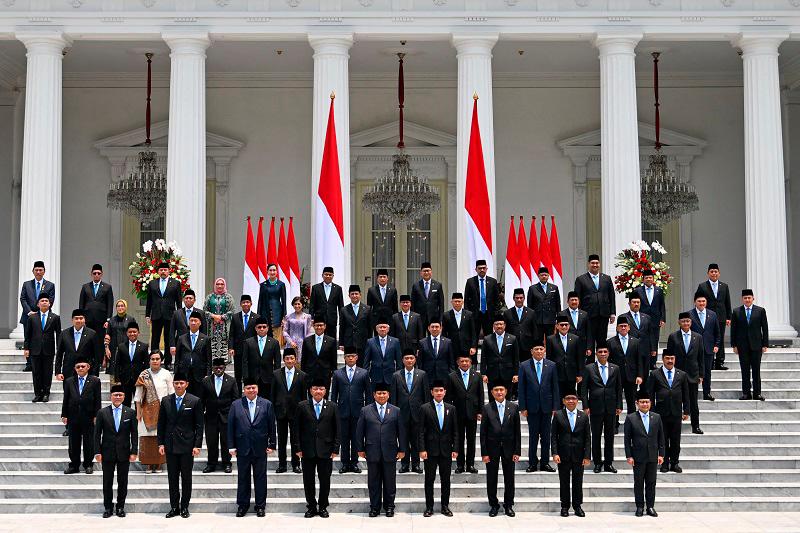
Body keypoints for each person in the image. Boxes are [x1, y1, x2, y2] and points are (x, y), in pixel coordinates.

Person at [356, 382, 406, 517]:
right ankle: (375, 507)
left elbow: (401, 432)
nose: (382, 395)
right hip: (372, 451)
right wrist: (360, 448)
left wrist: (402, 449)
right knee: (373, 482)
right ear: (374, 395)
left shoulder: (396, 410)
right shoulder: (365, 410)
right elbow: (360, 431)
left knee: (390, 482)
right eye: (379, 393)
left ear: (388, 395)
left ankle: (389, 507)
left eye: (384, 393)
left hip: (390, 452)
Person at [158, 372, 204, 518]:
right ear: (173, 384)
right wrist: (160, 443)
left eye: (181, 383)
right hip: (170, 445)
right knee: (172, 478)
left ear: (186, 384)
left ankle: (184, 507)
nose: (179, 385)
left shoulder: (195, 401)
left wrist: (197, 445)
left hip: (187, 446)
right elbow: (161, 424)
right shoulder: (166, 401)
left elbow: (199, 425)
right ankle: (174, 507)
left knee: (186, 477)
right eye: (176, 383)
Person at [228, 378, 276, 517]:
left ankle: (260, 506)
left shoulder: (266, 404)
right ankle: (243, 505)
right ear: (244, 390)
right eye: (248, 388)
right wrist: (231, 446)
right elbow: (231, 426)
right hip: (242, 447)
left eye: (253, 387)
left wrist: (272, 444)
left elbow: (271, 426)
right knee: (243, 477)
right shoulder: (236, 405)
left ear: (257, 389)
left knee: (260, 477)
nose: (251, 390)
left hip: (260, 447)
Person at [293, 378, 340, 518]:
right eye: (315, 389)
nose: (318, 391)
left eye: (321, 389)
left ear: (325, 391)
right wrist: (297, 448)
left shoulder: (333, 406)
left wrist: (335, 449)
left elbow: (337, 429)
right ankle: (311, 507)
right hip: (307, 450)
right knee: (308, 480)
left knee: (325, 480)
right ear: (310, 390)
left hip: (326, 450)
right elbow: (296, 429)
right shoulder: (302, 406)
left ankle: (323, 506)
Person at [94, 384, 138, 518]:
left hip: (124, 453)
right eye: (115, 395)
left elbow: (134, 434)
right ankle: (108, 507)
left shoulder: (130, 412)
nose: (118, 397)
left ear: (124, 397)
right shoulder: (102, 412)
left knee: (122, 481)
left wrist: (134, 451)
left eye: (120, 395)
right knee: (107, 481)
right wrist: (97, 452)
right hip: (107, 453)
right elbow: (97, 434)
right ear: (110, 397)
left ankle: (120, 507)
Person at [481, 380, 521, 517]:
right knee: (491, 478)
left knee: (509, 478)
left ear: (506, 391)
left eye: (501, 390)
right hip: (492, 449)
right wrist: (484, 453)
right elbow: (483, 433)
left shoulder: (514, 407)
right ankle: (494, 505)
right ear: (492, 392)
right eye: (496, 390)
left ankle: (508, 505)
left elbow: (517, 432)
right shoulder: (487, 408)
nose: (499, 392)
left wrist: (517, 451)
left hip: (509, 449)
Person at [418, 380, 458, 517]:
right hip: (430, 450)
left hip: (446, 450)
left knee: (445, 480)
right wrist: (422, 449)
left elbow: (455, 431)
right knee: (429, 480)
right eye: (436, 390)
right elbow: (421, 431)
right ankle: (429, 507)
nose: (439, 393)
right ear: (432, 392)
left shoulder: (451, 408)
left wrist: (456, 448)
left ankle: (445, 506)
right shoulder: (424, 408)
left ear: (445, 392)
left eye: (441, 390)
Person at [518, 341, 560, 473]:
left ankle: (545, 463)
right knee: (533, 436)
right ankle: (532, 462)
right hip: (532, 407)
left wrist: (556, 407)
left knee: (546, 437)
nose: (539, 351)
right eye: (536, 349)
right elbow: (521, 388)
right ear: (531, 351)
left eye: (541, 349)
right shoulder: (524, 366)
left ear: (545, 350)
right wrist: (522, 407)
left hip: (547, 407)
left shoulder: (551, 365)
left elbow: (555, 387)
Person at [581, 342, 622, 473]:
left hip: (611, 407)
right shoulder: (589, 368)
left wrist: (619, 405)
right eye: (600, 352)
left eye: (605, 352)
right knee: (596, 436)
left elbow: (618, 388)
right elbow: (583, 389)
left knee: (610, 436)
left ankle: (609, 463)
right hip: (595, 407)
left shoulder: (615, 368)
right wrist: (585, 405)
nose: (603, 354)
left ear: (609, 353)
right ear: (596, 354)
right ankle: (597, 463)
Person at [647, 351, 690, 473]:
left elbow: (686, 394)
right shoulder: (655, 374)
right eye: (667, 358)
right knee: (663, 440)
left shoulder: (682, 375)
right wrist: (652, 412)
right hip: (661, 413)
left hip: (676, 413)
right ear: (663, 359)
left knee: (676, 440)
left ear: (675, 359)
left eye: (672, 358)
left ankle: (674, 463)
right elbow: (650, 394)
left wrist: (686, 410)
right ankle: (664, 463)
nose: (670, 361)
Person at [624, 390, 665, 517]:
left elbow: (661, 437)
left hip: (653, 455)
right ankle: (640, 506)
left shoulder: (656, 417)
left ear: (650, 403)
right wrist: (629, 456)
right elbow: (627, 439)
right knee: (639, 482)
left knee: (651, 482)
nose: (644, 404)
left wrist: (661, 454)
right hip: (638, 456)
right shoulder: (631, 418)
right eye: (642, 402)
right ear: (637, 403)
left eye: (647, 402)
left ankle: (650, 506)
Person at [330, 347, 370, 473]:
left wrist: (368, 410)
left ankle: (354, 463)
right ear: (345, 358)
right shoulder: (338, 373)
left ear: (357, 357)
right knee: (344, 438)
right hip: (342, 410)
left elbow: (368, 394)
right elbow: (334, 394)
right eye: (348, 356)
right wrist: (334, 410)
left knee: (356, 438)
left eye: (353, 356)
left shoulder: (363, 373)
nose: (351, 358)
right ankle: (345, 463)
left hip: (358, 410)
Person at [550, 392, 591, 518]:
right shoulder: (558, 415)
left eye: (573, 398)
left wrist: (587, 456)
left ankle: (577, 506)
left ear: (577, 400)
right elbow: (554, 436)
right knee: (564, 481)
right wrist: (555, 453)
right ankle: (565, 506)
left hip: (579, 455)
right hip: (563, 454)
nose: (571, 401)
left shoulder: (583, 416)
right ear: (563, 401)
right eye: (568, 398)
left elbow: (587, 438)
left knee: (578, 481)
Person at [134, 350, 174, 473]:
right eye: (153, 359)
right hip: (146, 411)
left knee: (160, 437)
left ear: (161, 360)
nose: (155, 361)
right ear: (149, 360)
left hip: (163, 410)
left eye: (157, 359)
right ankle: (148, 464)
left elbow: (171, 393)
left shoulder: (166, 374)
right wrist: (138, 412)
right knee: (147, 437)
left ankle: (159, 463)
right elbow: (138, 395)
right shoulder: (144, 374)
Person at [61, 357, 102, 474]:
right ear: (75, 368)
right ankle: (74, 465)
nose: (80, 368)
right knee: (73, 442)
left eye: (83, 366)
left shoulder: (95, 381)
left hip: (89, 416)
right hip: (73, 416)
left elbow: (97, 400)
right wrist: (64, 414)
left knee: (89, 441)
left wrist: (96, 415)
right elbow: (66, 399)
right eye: (78, 367)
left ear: (88, 367)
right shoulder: (69, 381)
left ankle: (88, 464)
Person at [390, 350, 428, 474]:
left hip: (418, 412)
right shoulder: (396, 375)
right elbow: (394, 396)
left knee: (416, 440)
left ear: (415, 359)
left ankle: (416, 464)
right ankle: (405, 464)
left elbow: (426, 395)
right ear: (403, 360)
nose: (409, 360)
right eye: (407, 358)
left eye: (411, 358)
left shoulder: (422, 374)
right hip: (402, 413)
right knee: (403, 439)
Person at [200, 357, 240, 474]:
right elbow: (202, 400)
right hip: (210, 416)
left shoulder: (231, 380)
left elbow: (235, 399)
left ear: (224, 368)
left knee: (225, 441)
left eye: (220, 367)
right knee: (211, 441)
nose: (218, 370)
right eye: (216, 367)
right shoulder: (206, 381)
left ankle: (227, 463)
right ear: (212, 368)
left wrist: (234, 416)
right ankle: (211, 463)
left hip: (226, 416)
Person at [666, 312, 705, 434]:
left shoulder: (698, 337)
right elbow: (669, 357)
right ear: (679, 322)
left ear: (691, 322)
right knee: (677, 401)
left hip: (693, 374)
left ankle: (696, 426)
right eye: (683, 321)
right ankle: (675, 426)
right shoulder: (673, 337)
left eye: (688, 321)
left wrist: (701, 374)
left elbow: (701, 357)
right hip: (678, 374)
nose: (686, 323)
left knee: (694, 402)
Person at [271, 347, 307, 473]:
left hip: (296, 412)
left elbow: (304, 398)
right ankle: (282, 464)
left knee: (296, 440)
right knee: (281, 440)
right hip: (281, 411)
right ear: (283, 360)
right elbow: (273, 394)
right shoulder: (276, 374)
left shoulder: (302, 376)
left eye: (292, 358)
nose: (289, 361)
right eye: (287, 358)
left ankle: (296, 464)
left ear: (295, 359)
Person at [446, 355, 484, 474]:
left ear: (471, 362)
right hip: (458, 413)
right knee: (459, 440)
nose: (465, 363)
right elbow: (449, 397)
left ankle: (470, 465)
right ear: (458, 362)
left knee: (471, 440)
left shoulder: (477, 376)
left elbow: (480, 395)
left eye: (467, 361)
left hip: (472, 413)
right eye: (462, 361)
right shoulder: (452, 376)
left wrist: (480, 411)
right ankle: (460, 465)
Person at [573, 255, 616, 356]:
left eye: (597, 263)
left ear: (599, 264)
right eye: (592, 263)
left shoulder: (606, 278)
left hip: (603, 314)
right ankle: (590, 364)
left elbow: (611, 296)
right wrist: (579, 314)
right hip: (588, 315)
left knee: (602, 339)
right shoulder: (581, 279)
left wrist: (612, 313)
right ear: (588, 264)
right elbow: (577, 297)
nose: (595, 265)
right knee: (589, 340)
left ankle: (602, 360)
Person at [731, 288, 769, 401]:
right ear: (742, 299)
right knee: (745, 370)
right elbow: (734, 329)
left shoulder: (760, 311)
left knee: (756, 370)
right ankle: (746, 393)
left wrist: (765, 344)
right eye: (745, 298)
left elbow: (765, 328)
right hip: (742, 346)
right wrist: (734, 345)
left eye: (749, 298)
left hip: (757, 345)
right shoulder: (736, 311)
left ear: (753, 298)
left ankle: (757, 393)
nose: (747, 300)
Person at [19, 260, 55, 371]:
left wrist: (40, 312)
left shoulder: (50, 285)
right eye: (36, 270)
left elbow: (51, 300)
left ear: (44, 271)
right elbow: (23, 299)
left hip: (44, 316)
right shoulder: (27, 284)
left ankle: (42, 363)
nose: (38, 272)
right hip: (28, 316)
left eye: (41, 270)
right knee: (28, 339)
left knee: (42, 339)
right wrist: (30, 312)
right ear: (33, 271)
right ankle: (29, 364)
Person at [607, 315, 644, 422]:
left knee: (631, 401)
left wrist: (640, 375)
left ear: (629, 327)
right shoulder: (611, 342)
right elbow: (609, 361)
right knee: (615, 401)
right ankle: (615, 424)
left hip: (631, 376)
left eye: (625, 326)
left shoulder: (636, 342)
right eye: (621, 326)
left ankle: (632, 424)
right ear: (617, 328)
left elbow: (639, 360)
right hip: (616, 376)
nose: (623, 328)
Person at [24, 294, 60, 402]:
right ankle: (37, 394)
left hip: (48, 349)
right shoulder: (32, 318)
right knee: (36, 372)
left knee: (47, 372)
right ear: (38, 304)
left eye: (46, 301)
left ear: (49, 304)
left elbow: (58, 334)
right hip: (35, 349)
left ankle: (46, 393)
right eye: (42, 301)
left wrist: (59, 348)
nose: (44, 302)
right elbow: (28, 334)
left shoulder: (55, 317)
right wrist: (26, 348)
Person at [79, 264, 115, 372]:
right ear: (91, 274)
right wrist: (82, 318)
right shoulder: (85, 287)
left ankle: (98, 363)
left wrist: (108, 319)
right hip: (88, 319)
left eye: (98, 273)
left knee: (99, 341)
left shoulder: (107, 287)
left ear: (101, 274)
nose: (96, 275)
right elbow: (81, 303)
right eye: (94, 273)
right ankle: (88, 362)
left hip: (101, 319)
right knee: (88, 340)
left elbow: (110, 303)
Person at [696, 263, 732, 370]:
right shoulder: (702, 286)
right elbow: (698, 301)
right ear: (708, 273)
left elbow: (727, 303)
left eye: (716, 271)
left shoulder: (724, 286)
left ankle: (719, 362)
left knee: (720, 339)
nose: (714, 273)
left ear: (719, 273)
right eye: (711, 271)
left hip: (721, 316)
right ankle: (709, 362)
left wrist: (729, 317)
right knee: (708, 338)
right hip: (707, 317)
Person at [145, 262, 182, 358]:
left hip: (170, 315)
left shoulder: (175, 283)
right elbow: (149, 301)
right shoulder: (152, 283)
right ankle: (154, 359)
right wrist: (147, 315)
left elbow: (179, 301)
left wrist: (180, 315)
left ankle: (168, 361)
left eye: (165, 270)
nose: (163, 272)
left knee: (169, 339)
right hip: (156, 314)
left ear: (169, 271)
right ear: (158, 271)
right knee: (155, 339)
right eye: (161, 270)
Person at [690, 292, 721, 401]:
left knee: (707, 372)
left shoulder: (712, 314)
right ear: (695, 302)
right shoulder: (689, 314)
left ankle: (706, 393)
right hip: (694, 349)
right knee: (694, 371)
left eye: (703, 301)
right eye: (699, 301)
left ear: (706, 302)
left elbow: (717, 332)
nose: (701, 303)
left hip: (708, 349)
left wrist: (717, 345)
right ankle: (692, 395)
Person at [479, 315, 520, 398]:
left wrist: (516, 373)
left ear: (504, 325)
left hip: (508, 373)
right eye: (496, 324)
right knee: (492, 398)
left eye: (501, 324)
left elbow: (516, 358)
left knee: (507, 397)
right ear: (493, 326)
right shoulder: (487, 339)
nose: (499, 326)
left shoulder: (512, 338)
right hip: (492, 373)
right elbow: (483, 358)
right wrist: (483, 374)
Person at [56, 309, 102, 380]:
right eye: (76, 318)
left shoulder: (92, 334)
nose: (79, 320)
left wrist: (95, 373)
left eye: (81, 318)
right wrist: (58, 372)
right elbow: (59, 354)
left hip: (87, 372)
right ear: (72, 320)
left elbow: (96, 355)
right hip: (68, 371)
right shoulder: (64, 334)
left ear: (84, 319)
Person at [242, 316, 281, 399]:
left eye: (264, 327)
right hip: (253, 379)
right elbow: (244, 361)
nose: (262, 329)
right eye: (259, 327)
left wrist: (276, 377)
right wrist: (246, 378)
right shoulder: (248, 342)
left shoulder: (274, 343)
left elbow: (277, 362)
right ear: (256, 328)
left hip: (268, 378)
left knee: (268, 402)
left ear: (267, 328)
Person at [175, 310, 211, 395]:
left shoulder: (206, 339)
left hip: (200, 373)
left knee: (199, 397)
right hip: (185, 372)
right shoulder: (181, 338)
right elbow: (177, 358)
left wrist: (208, 374)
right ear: (188, 322)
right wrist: (176, 374)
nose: (193, 323)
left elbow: (209, 358)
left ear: (200, 323)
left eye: (195, 321)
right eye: (191, 320)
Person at [634, 270, 666, 368]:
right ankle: (642, 362)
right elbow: (635, 305)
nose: (648, 279)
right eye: (646, 278)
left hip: (655, 320)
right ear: (643, 279)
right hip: (642, 320)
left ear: (653, 279)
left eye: (650, 277)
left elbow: (662, 306)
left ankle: (653, 363)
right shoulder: (638, 291)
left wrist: (663, 318)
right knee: (643, 340)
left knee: (654, 341)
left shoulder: (659, 290)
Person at [113, 321, 149, 407]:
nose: (132, 334)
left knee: (139, 403)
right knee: (125, 403)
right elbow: (117, 364)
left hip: (139, 379)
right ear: (127, 333)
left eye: (134, 332)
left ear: (138, 332)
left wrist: (145, 378)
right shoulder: (121, 346)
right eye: (130, 332)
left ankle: (138, 420)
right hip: (125, 379)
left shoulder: (144, 346)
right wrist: (117, 379)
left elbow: (146, 364)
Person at [169, 289, 207, 370]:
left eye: (190, 298)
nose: (188, 300)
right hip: (181, 344)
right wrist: (172, 345)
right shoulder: (177, 313)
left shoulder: (201, 313)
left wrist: (204, 343)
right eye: (186, 298)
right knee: (182, 365)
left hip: (196, 343)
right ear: (183, 299)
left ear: (194, 300)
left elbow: (204, 330)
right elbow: (172, 331)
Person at [546, 314, 583, 397]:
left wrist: (580, 374)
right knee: (558, 397)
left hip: (571, 374)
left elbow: (579, 357)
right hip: (557, 373)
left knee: (570, 397)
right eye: (561, 325)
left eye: (566, 325)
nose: (564, 327)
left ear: (569, 326)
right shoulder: (550, 339)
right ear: (557, 326)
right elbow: (549, 358)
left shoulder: (575, 338)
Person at [300, 314, 338, 391]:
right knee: (311, 396)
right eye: (317, 325)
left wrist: (333, 374)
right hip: (310, 373)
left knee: (325, 397)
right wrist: (303, 374)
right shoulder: (307, 341)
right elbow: (304, 359)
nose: (319, 327)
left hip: (325, 374)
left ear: (325, 326)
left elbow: (333, 360)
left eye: (321, 325)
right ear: (313, 326)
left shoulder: (331, 341)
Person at [363, 314, 403, 388]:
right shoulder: (370, 342)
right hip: (375, 376)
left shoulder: (395, 341)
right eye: (380, 327)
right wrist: (366, 375)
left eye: (384, 327)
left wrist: (398, 375)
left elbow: (399, 360)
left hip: (390, 376)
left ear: (388, 329)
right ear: (376, 329)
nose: (382, 329)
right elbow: (366, 361)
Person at [229, 295, 260, 390]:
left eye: (247, 302)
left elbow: (258, 334)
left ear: (251, 303)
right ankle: (238, 395)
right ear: (240, 304)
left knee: (251, 373)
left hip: (252, 350)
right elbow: (231, 334)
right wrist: (231, 347)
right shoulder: (235, 317)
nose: (245, 304)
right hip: (238, 350)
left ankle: (251, 392)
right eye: (243, 302)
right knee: (238, 374)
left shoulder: (256, 317)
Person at [620, 293, 656, 374]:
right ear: (629, 304)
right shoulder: (623, 317)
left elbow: (651, 334)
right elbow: (619, 335)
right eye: (634, 302)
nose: (636, 304)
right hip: (630, 350)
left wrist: (653, 348)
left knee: (645, 375)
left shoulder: (647, 317)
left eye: (638, 302)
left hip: (645, 350)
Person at [464, 259, 500, 339]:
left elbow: (497, 300)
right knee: (474, 336)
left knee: (489, 337)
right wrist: (467, 314)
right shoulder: (470, 282)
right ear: (476, 269)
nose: (482, 270)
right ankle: (474, 351)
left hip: (488, 314)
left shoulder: (493, 281)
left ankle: (488, 352)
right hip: (475, 314)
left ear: (487, 269)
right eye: (480, 268)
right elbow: (466, 300)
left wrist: (495, 313)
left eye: (484, 268)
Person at [527, 266, 561, 344]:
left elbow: (557, 304)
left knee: (551, 341)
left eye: (546, 275)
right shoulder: (533, 288)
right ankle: (539, 356)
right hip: (538, 320)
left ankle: (549, 356)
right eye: (542, 275)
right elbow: (530, 306)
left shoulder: (554, 288)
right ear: (538, 276)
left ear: (548, 276)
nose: (544, 276)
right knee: (538, 341)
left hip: (550, 319)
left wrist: (558, 319)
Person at [309, 266, 344, 342]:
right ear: (322, 275)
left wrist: (342, 319)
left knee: (332, 340)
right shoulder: (316, 288)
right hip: (319, 319)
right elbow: (312, 304)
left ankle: (332, 354)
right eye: (326, 274)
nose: (328, 276)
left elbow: (341, 306)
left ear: (333, 276)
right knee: (319, 340)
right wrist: (311, 318)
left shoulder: (338, 288)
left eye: (330, 274)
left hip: (332, 319)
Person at [442, 292, 478, 365]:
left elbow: (473, 332)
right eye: (455, 301)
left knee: (466, 366)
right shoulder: (446, 315)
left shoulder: (469, 314)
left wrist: (473, 346)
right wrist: (445, 346)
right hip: (452, 346)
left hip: (466, 346)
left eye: (459, 301)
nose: (457, 303)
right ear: (452, 302)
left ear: (462, 302)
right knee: (453, 366)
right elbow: (444, 333)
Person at [204, 277, 234, 360]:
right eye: (217, 284)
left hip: (224, 328)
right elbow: (205, 310)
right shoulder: (209, 297)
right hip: (212, 328)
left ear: (224, 285)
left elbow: (232, 311)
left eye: (222, 284)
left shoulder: (229, 297)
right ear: (215, 285)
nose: (219, 286)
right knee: (211, 345)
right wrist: (214, 316)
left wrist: (221, 317)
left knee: (225, 344)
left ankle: (225, 362)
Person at [339, 285, 373, 356]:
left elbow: (370, 327)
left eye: (356, 294)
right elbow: (342, 327)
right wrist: (341, 343)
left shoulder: (367, 309)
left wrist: (369, 341)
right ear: (349, 295)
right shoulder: (344, 310)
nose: (354, 296)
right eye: (352, 294)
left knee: (362, 365)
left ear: (360, 295)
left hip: (363, 342)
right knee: (349, 364)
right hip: (348, 342)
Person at [417, 318, 454, 382]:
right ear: (428, 328)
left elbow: (451, 361)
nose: (434, 329)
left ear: (441, 328)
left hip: (444, 376)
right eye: (432, 327)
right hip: (428, 376)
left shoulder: (448, 342)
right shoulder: (422, 342)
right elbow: (420, 362)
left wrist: (451, 375)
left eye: (437, 327)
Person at [105, 299, 136, 376]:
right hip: (114, 349)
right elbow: (108, 335)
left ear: (125, 307)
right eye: (118, 306)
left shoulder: (131, 319)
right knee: (113, 373)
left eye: (122, 306)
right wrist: (106, 348)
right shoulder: (111, 320)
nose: (120, 308)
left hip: (127, 348)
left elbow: (134, 334)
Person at [258, 264, 287, 345]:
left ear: (277, 272)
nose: (272, 272)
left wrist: (284, 316)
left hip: (277, 313)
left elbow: (284, 301)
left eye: (274, 270)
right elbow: (260, 301)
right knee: (266, 338)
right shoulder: (263, 285)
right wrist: (259, 315)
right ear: (267, 272)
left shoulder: (281, 284)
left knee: (276, 339)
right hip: (265, 312)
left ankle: (276, 356)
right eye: (270, 270)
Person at [410, 262, 444, 329]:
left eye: (428, 271)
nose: (426, 273)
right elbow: (413, 303)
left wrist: (440, 319)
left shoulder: (438, 285)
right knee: (420, 338)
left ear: (431, 272)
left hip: (433, 318)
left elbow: (441, 304)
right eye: (424, 271)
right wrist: (413, 318)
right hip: (419, 317)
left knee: (433, 338)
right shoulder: (416, 286)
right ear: (421, 273)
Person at [281, 296, 312, 364]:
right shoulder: (288, 317)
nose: (297, 306)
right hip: (291, 343)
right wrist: (290, 342)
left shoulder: (307, 317)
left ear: (302, 305)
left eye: (299, 304)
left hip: (303, 344)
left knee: (302, 364)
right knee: (290, 363)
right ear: (293, 305)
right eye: (295, 304)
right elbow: (285, 331)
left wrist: (306, 343)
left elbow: (309, 332)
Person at [504, 288, 536, 355]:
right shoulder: (507, 313)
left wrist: (534, 346)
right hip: (512, 345)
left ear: (524, 298)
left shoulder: (531, 312)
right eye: (517, 298)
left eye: (521, 298)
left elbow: (534, 330)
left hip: (527, 345)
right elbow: (505, 330)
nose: (519, 300)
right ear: (513, 299)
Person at [562, 291, 590, 363]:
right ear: (567, 301)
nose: (574, 302)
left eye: (576, 300)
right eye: (572, 300)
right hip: (567, 346)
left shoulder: (585, 314)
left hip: (582, 346)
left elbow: (589, 332)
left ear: (579, 301)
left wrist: (588, 348)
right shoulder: (562, 314)